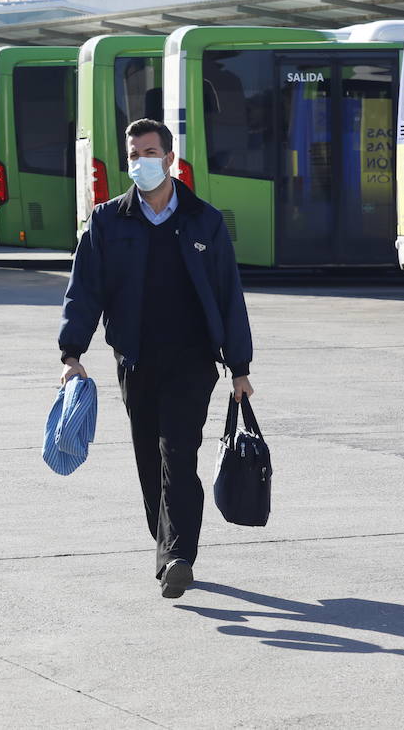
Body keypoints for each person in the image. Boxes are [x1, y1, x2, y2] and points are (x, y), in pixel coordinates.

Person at [58, 118, 253, 600]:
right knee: (150, 460)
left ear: (169, 158)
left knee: (178, 455)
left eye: (149, 153)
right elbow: (84, 291)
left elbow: (229, 293)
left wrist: (240, 367)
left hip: (192, 361)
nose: (139, 163)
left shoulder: (202, 219)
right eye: (132, 155)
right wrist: (72, 353)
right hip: (137, 359)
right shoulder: (107, 221)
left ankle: (178, 557)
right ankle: (167, 544)